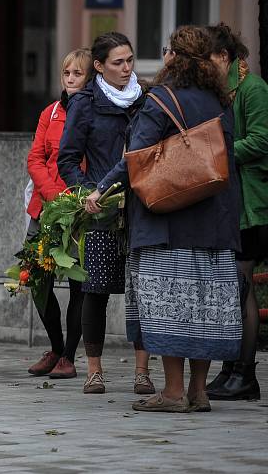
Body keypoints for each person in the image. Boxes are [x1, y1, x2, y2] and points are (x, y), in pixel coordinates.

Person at [89, 25, 242, 413]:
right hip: (214, 223)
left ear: (173, 56)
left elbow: (135, 160)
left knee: (170, 309)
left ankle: (173, 393)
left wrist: (100, 189)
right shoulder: (218, 101)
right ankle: (199, 391)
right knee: (205, 309)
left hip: (168, 224)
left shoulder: (160, 99)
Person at [57, 32, 152, 395]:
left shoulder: (145, 99)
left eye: (130, 60)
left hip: (144, 207)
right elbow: (67, 158)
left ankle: (142, 372)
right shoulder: (85, 103)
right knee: (94, 290)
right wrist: (85, 192)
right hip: (100, 209)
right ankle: (94, 370)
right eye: (118, 62)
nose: (127, 68)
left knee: (144, 289)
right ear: (98, 66)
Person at [205, 23, 268, 401]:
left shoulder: (254, 89)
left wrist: (219, 154)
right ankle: (231, 368)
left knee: (242, 287)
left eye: (207, 59)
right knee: (233, 287)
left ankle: (245, 374)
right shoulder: (224, 90)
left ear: (225, 57)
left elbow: (261, 140)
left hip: (253, 206)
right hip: (234, 203)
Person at [24, 49, 92, 379]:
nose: (70, 79)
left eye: (77, 73)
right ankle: (55, 346)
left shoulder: (96, 113)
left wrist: (71, 199)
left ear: (90, 77)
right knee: (36, 279)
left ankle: (69, 356)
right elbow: (35, 159)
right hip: (45, 207)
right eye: (66, 73)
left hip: (79, 209)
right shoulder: (49, 113)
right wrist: (51, 196)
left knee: (80, 285)